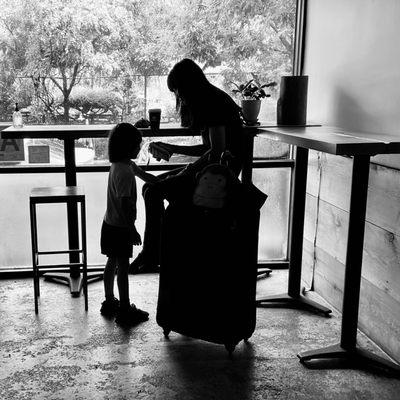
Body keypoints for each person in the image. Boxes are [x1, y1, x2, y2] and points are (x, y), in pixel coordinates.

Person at [129, 58, 244, 274]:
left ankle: (153, 253)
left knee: (153, 191)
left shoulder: (213, 103)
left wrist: (188, 170)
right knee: (149, 188)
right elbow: (209, 149)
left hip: (219, 178)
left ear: (189, 85)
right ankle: (154, 252)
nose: (178, 96)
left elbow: (216, 152)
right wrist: (173, 148)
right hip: (212, 171)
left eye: (178, 90)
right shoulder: (211, 100)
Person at [100, 122, 159, 325]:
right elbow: (126, 206)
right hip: (121, 228)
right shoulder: (125, 172)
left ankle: (109, 301)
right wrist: (132, 230)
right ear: (126, 147)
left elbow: (145, 176)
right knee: (122, 268)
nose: (139, 148)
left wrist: (163, 182)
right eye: (136, 145)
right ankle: (124, 309)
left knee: (111, 262)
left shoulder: (122, 165)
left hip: (109, 223)